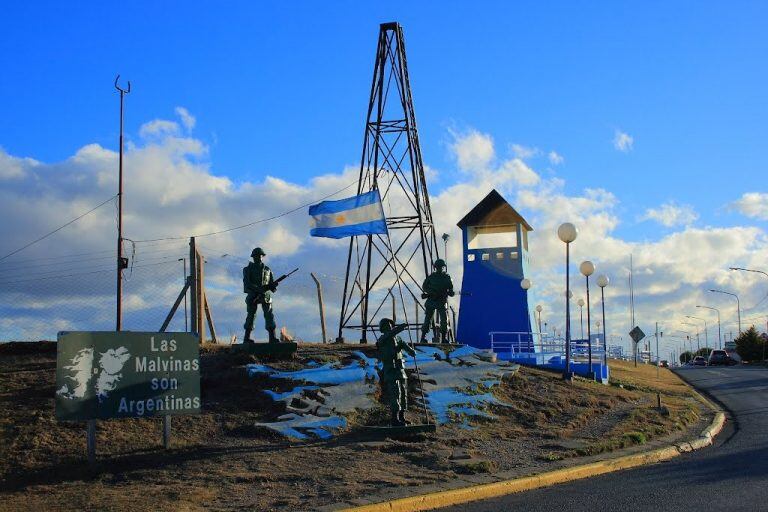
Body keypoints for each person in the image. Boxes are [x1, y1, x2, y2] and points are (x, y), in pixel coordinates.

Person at [376, 318, 416, 427]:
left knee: (403, 393)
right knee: (395, 393)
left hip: (400, 369)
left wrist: (411, 351)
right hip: (390, 370)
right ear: (383, 328)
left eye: (391, 325)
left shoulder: (398, 338)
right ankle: (395, 418)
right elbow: (391, 334)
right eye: (387, 326)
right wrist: (401, 327)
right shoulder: (382, 339)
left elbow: (404, 345)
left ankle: (402, 416)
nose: (390, 327)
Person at [243, 247, 279, 343]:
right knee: (251, 315)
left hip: (265, 296)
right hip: (253, 295)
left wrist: (273, 286)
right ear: (253, 257)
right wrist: (258, 289)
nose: (258, 257)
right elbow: (247, 284)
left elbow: (272, 286)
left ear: (262, 257)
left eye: (260, 256)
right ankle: (246, 338)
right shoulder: (247, 269)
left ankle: (272, 337)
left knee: (269, 315)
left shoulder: (268, 270)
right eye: (256, 256)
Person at [420, 259, 455, 343]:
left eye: (441, 267)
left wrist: (450, 292)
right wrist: (431, 292)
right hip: (432, 300)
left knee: (443, 320)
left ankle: (443, 338)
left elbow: (450, 289)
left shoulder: (446, 278)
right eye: (438, 267)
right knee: (428, 319)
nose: (439, 268)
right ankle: (423, 337)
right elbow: (424, 287)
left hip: (441, 301)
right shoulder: (432, 277)